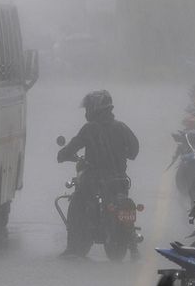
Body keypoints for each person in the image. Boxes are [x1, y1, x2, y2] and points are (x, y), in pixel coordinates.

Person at [56, 90, 139, 257]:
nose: (86, 112)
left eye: (88, 108)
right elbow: (134, 151)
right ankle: (133, 247)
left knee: (77, 202)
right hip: (121, 180)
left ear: (94, 108)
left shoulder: (89, 129)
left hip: (95, 179)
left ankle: (72, 247)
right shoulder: (121, 127)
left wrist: (63, 155)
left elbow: (70, 149)